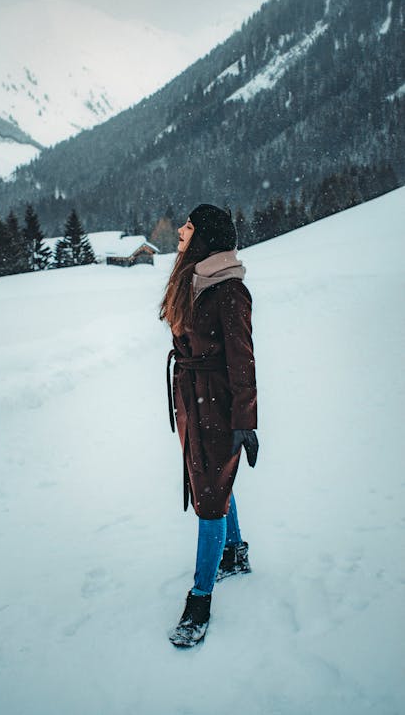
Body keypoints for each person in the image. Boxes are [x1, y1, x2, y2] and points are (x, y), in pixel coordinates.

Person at [160, 203, 259, 648]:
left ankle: (200, 598)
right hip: (192, 397)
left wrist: (245, 420)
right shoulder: (193, 277)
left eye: (188, 225)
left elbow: (243, 360)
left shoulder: (229, 289)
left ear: (204, 236)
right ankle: (234, 552)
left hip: (217, 403)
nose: (181, 230)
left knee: (209, 494)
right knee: (210, 477)